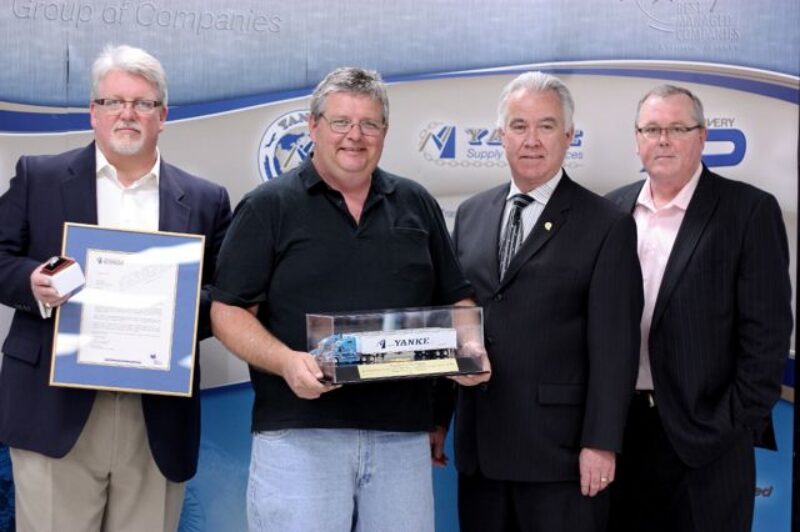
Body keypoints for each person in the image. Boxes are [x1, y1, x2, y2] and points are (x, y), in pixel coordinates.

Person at [210, 66, 487, 532]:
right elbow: (227, 311)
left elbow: (456, 298)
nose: (354, 136)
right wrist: (285, 362)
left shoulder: (416, 203)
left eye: (369, 124)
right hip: (300, 435)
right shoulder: (269, 206)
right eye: (341, 122)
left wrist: (471, 351)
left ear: (384, 131)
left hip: (400, 439)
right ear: (313, 126)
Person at [0, 44, 231, 532]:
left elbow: (229, 297)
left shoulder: (206, 200)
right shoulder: (38, 177)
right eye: (112, 102)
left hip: (156, 416)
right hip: (54, 408)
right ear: (93, 112)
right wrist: (32, 283)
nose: (127, 114)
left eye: (143, 103)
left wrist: (179, 306)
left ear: (162, 115)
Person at [448, 71, 643, 532]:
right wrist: (438, 419)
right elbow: (457, 320)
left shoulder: (606, 224)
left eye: (546, 125)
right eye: (518, 126)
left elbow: (616, 347)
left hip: (562, 457)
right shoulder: (472, 214)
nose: (530, 140)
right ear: (500, 135)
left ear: (569, 136)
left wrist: (601, 442)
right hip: (480, 452)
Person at [606, 84, 792, 532]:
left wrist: (725, 426)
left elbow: (766, 338)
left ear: (703, 136)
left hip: (706, 442)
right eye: (651, 128)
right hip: (620, 437)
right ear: (636, 138)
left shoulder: (748, 211)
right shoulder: (611, 209)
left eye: (677, 128)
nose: (663, 139)